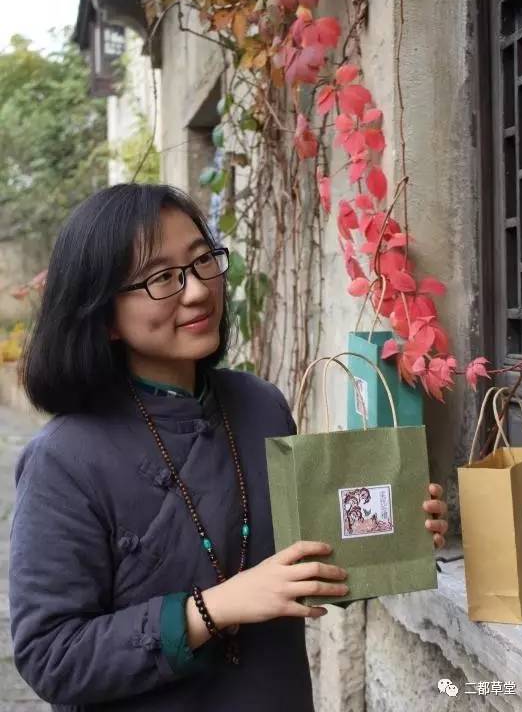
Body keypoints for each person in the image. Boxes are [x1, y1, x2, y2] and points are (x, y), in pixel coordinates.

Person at [9, 183, 448, 711]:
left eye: (202, 262)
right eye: (161, 278)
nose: (197, 291)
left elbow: (307, 566)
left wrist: (393, 527)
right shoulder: (64, 458)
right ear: (105, 318)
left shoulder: (259, 405)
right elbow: (52, 655)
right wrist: (212, 609)